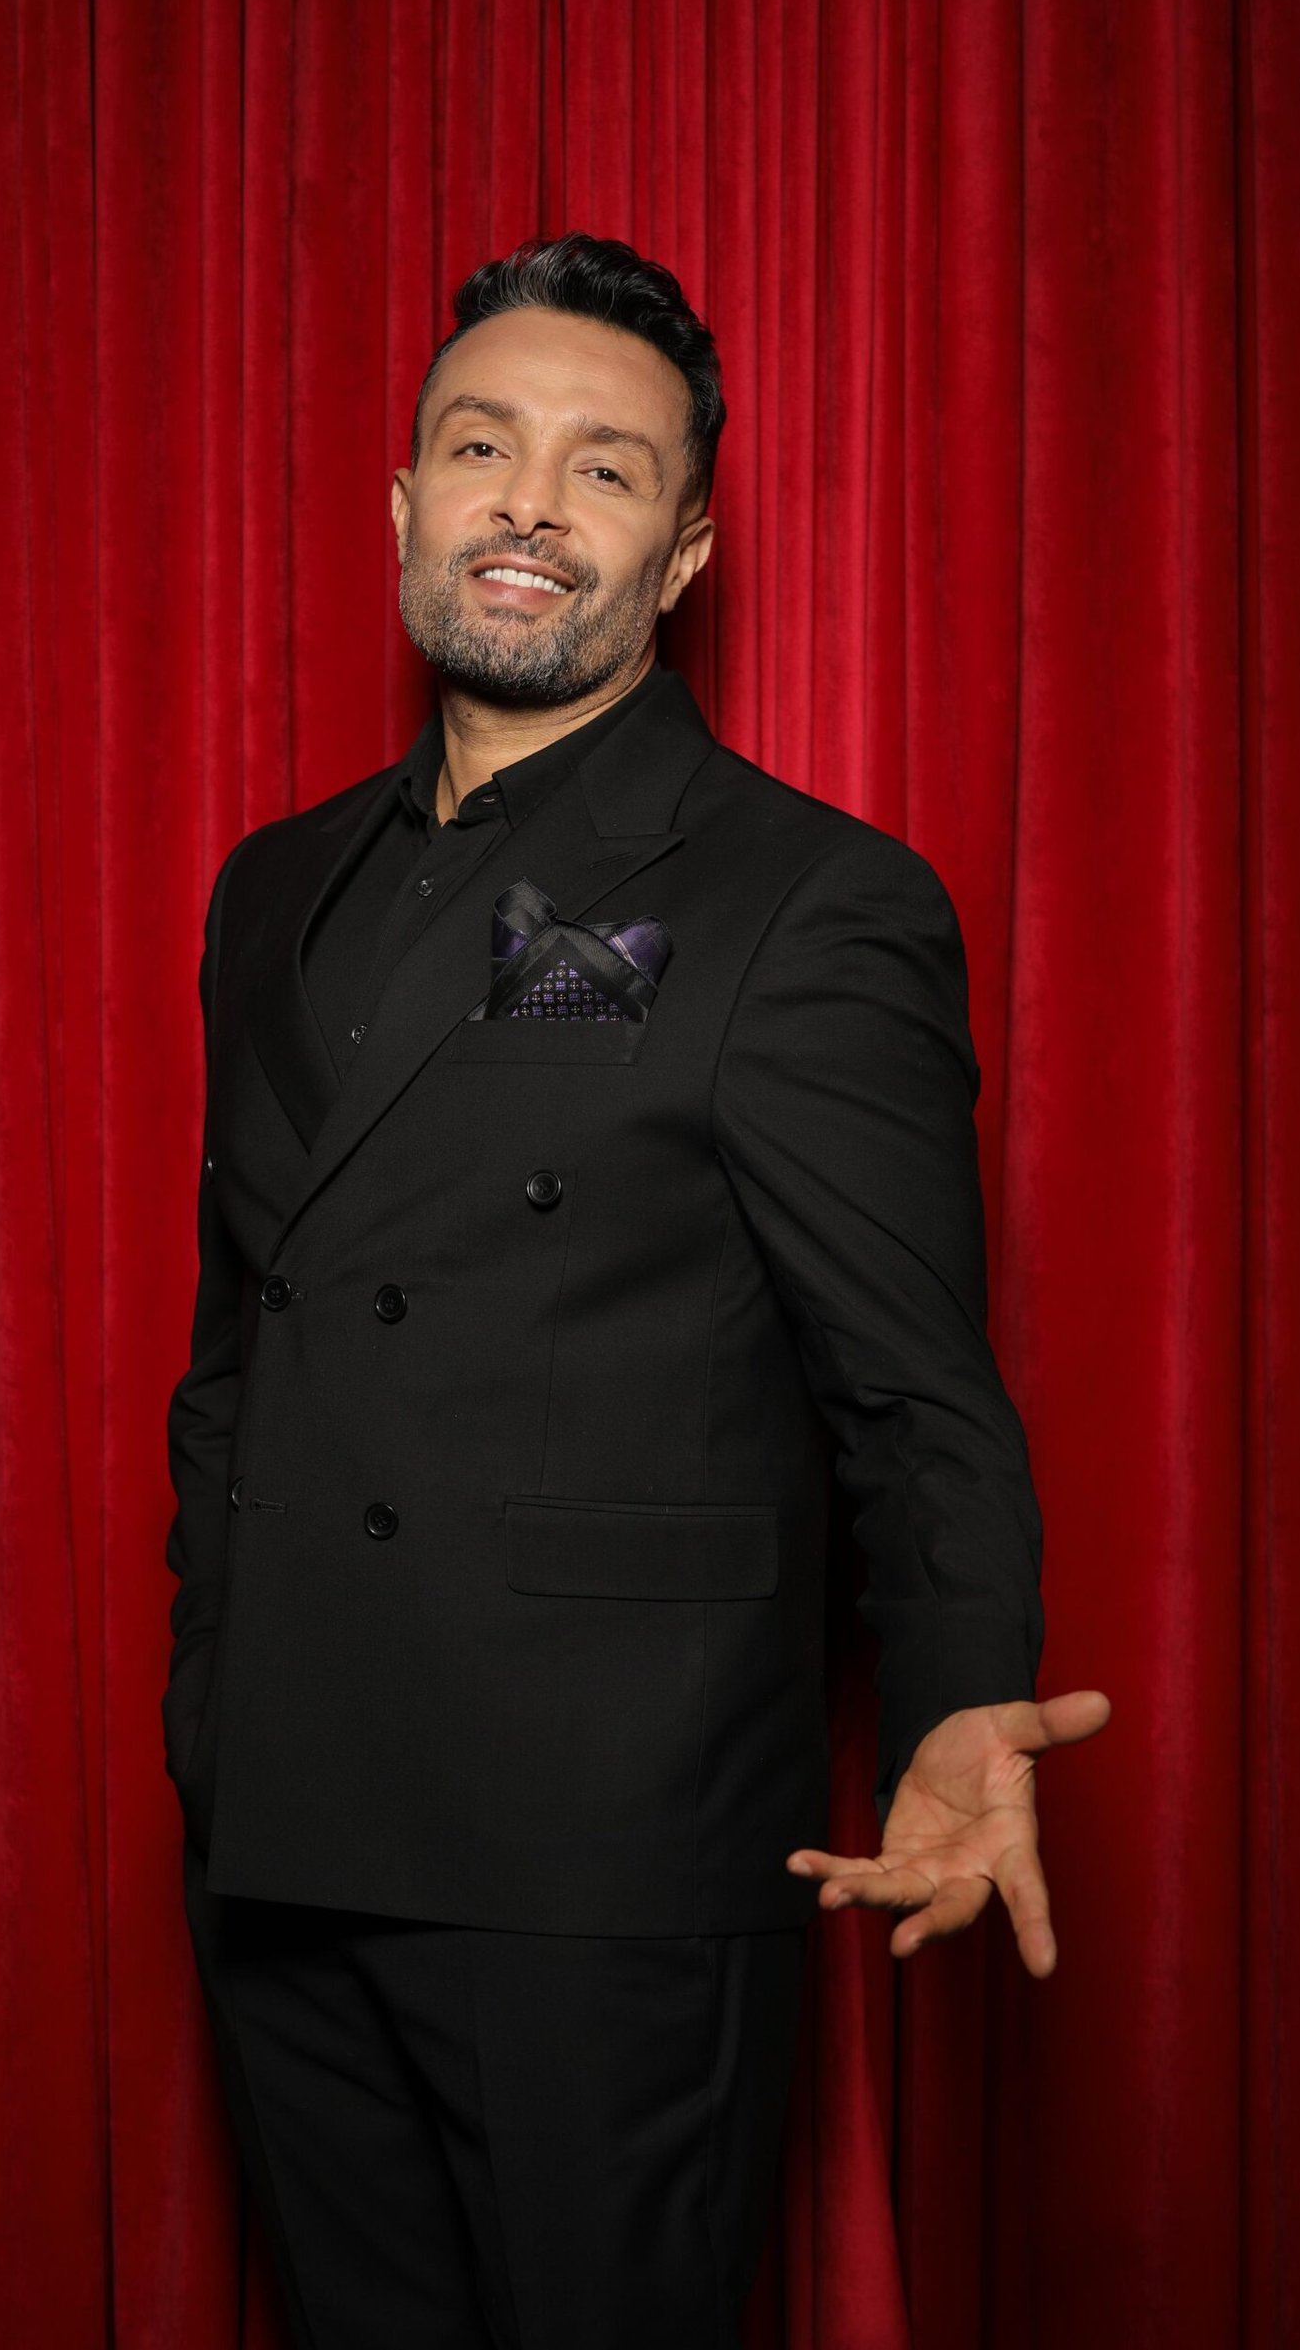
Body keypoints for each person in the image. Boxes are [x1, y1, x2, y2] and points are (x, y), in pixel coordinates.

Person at [160, 232, 1110, 2350]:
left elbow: (911, 1382)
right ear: (402, 500)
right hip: (286, 1813)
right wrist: (206, 1690)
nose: (527, 502)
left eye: (603, 469)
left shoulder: (809, 899)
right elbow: (240, 1336)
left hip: (599, 1853)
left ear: (681, 552)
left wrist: (962, 1690)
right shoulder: (270, 886)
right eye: (479, 447)